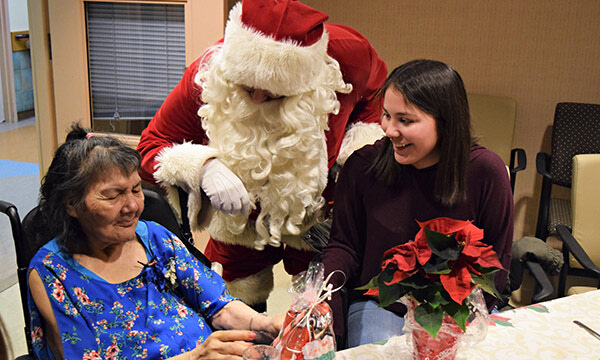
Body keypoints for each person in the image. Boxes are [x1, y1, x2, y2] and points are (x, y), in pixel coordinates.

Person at [136, 0, 387, 308]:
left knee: (320, 314)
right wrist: (204, 168)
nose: (256, 99)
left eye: (272, 93)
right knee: (237, 318)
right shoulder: (205, 76)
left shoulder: (348, 56)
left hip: (315, 212)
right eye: (245, 87)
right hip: (238, 220)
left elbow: (374, 96)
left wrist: (358, 145)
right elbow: (150, 146)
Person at [27, 124, 283, 360]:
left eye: (136, 190)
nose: (132, 206)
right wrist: (194, 357)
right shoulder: (52, 274)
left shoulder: (155, 238)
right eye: (113, 195)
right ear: (71, 204)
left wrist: (265, 325)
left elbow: (219, 307)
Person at [321, 59, 514, 347]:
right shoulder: (363, 167)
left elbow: (495, 264)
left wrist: (454, 320)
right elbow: (344, 245)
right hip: (382, 305)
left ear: (445, 121)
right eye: (386, 115)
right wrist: (323, 298)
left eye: (405, 120)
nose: (389, 130)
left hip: (458, 312)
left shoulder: (485, 172)